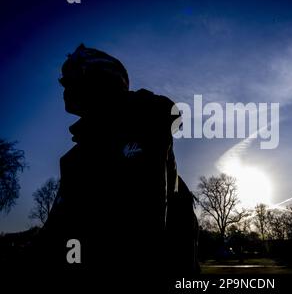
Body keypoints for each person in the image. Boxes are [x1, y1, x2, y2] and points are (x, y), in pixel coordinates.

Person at [36, 44, 198, 283]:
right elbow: (57, 230)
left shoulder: (145, 125)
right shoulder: (76, 158)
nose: (64, 88)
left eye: (71, 80)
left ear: (99, 80)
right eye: (63, 82)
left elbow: (145, 227)